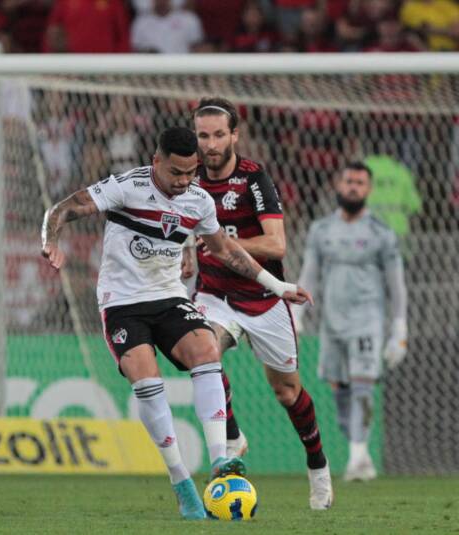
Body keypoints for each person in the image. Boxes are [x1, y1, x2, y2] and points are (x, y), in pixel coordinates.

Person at [41, 126, 311, 520]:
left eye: (190, 172)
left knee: (205, 348)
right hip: (123, 304)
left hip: (168, 297)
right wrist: (49, 240)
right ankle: (182, 482)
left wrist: (277, 284)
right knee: (146, 378)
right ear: (156, 162)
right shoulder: (126, 186)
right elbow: (63, 209)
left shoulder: (198, 200)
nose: (184, 181)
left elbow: (226, 251)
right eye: (176, 173)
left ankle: (221, 461)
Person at [188, 97, 333, 510]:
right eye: (204, 136)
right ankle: (232, 436)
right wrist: (184, 249)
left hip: (264, 298)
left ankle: (317, 464)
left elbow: (276, 244)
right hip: (215, 295)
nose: (211, 145)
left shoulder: (254, 179)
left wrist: (224, 245)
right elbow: (181, 223)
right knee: (201, 354)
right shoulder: (190, 177)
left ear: (235, 135)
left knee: (287, 393)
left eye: (219, 135)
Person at [293, 161, 407, 482]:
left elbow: (396, 284)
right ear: (338, 186)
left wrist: (399, 328)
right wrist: (298, 313)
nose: (354, 187)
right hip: (332, 322)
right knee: (339, 389)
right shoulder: (321, 230)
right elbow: (310, 274)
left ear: (368, 190)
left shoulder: (380, 233)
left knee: (362, 386)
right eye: (349, 181)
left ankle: (357, 455)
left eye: (360, 182)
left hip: (367, 320)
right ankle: (359, 449)